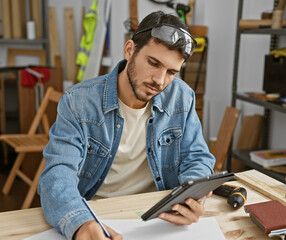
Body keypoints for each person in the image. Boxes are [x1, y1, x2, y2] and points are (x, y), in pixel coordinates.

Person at [38, 11, 216, 240]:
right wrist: (80, 222)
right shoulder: (79, 102)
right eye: (153, 63)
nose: (160, 80)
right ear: (130, 50)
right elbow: (57, 174)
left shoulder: (182, 97)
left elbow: (197, 157)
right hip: (97, 216)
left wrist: (191, 197)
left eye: (171, 72)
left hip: (158, 220)